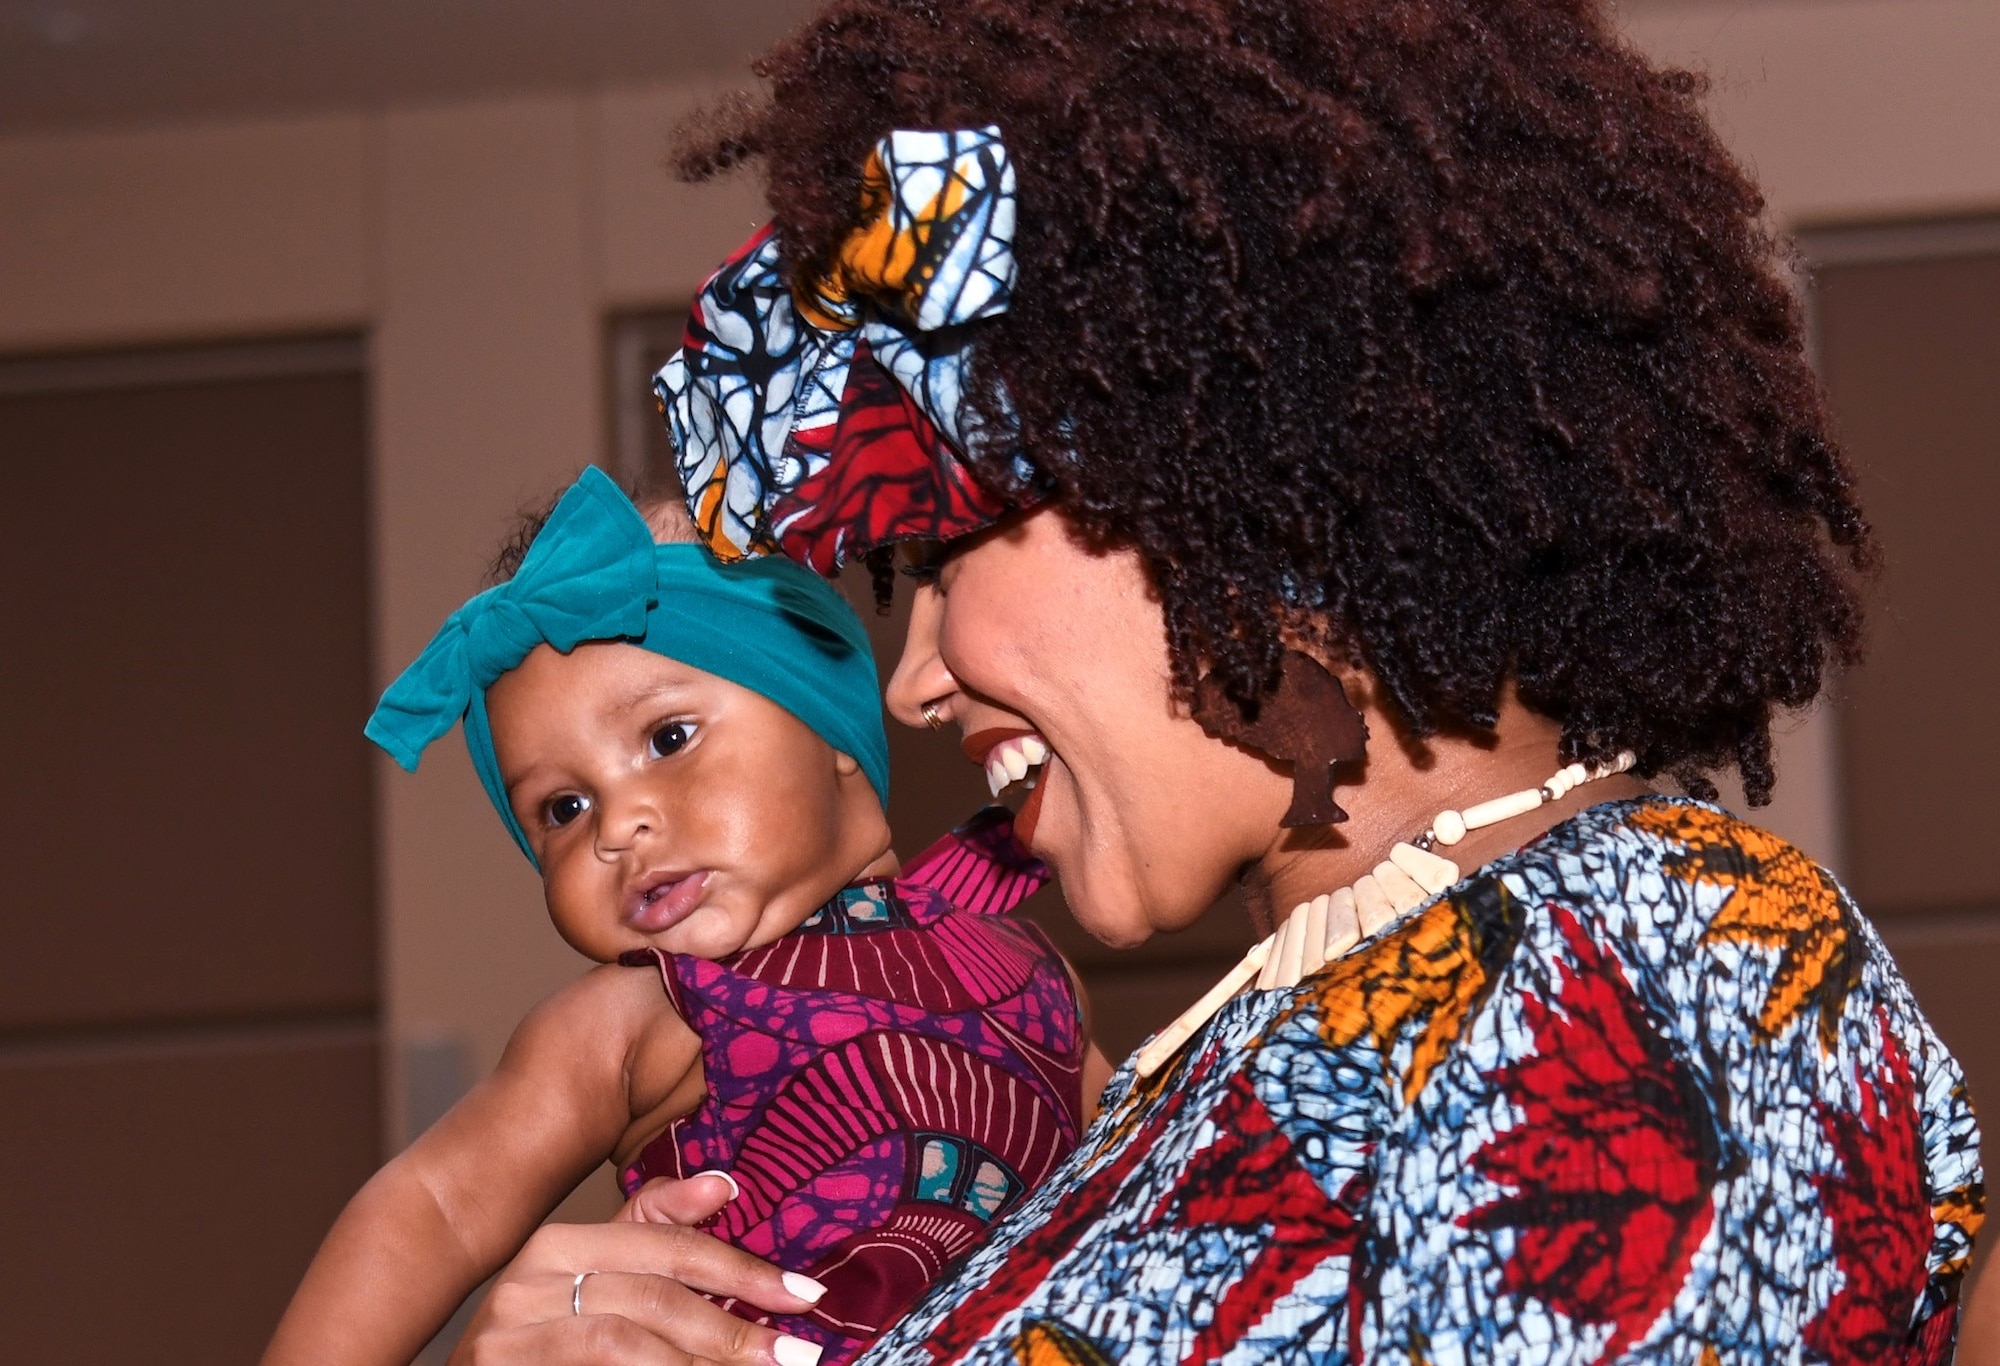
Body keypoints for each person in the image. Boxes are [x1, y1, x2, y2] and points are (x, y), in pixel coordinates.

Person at [449, 0, 1984, 1360]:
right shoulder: (1232, 1070)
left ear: (1224, 478)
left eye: (950, 546)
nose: (914, 680)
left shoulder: (1653, 969)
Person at [261, 468, 1105, 1366]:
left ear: (828, 729)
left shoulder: (1018, 946)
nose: (619, 825)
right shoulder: (642, 1015)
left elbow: (1128, 1170)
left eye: (667, 739)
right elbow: (432, 1206)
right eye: (562, 809)